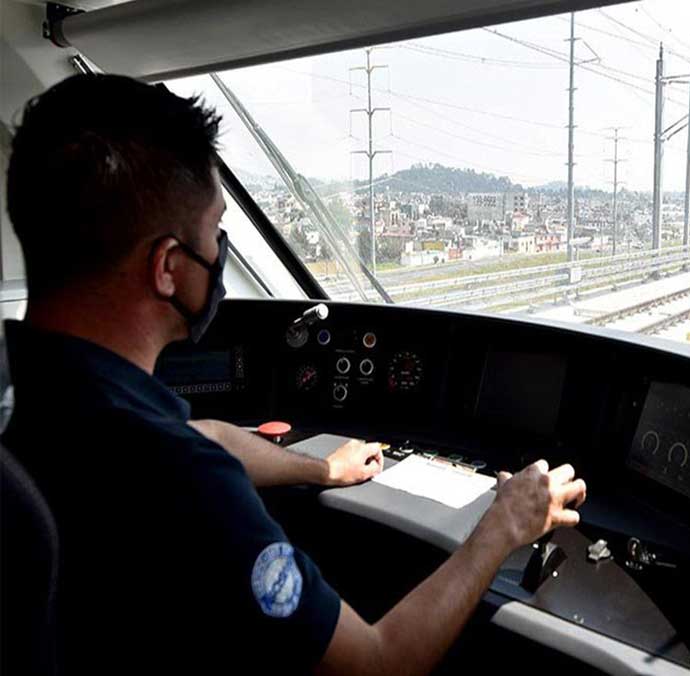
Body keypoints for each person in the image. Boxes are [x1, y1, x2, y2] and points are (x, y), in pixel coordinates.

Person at [2, 74, 586, 674]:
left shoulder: (43, 403)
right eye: (215, 230)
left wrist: (321, 469)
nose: (222, 249)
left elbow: (208, 435)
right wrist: (501, 527)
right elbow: (379, 663)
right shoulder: (181, 480)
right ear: (169, 268)